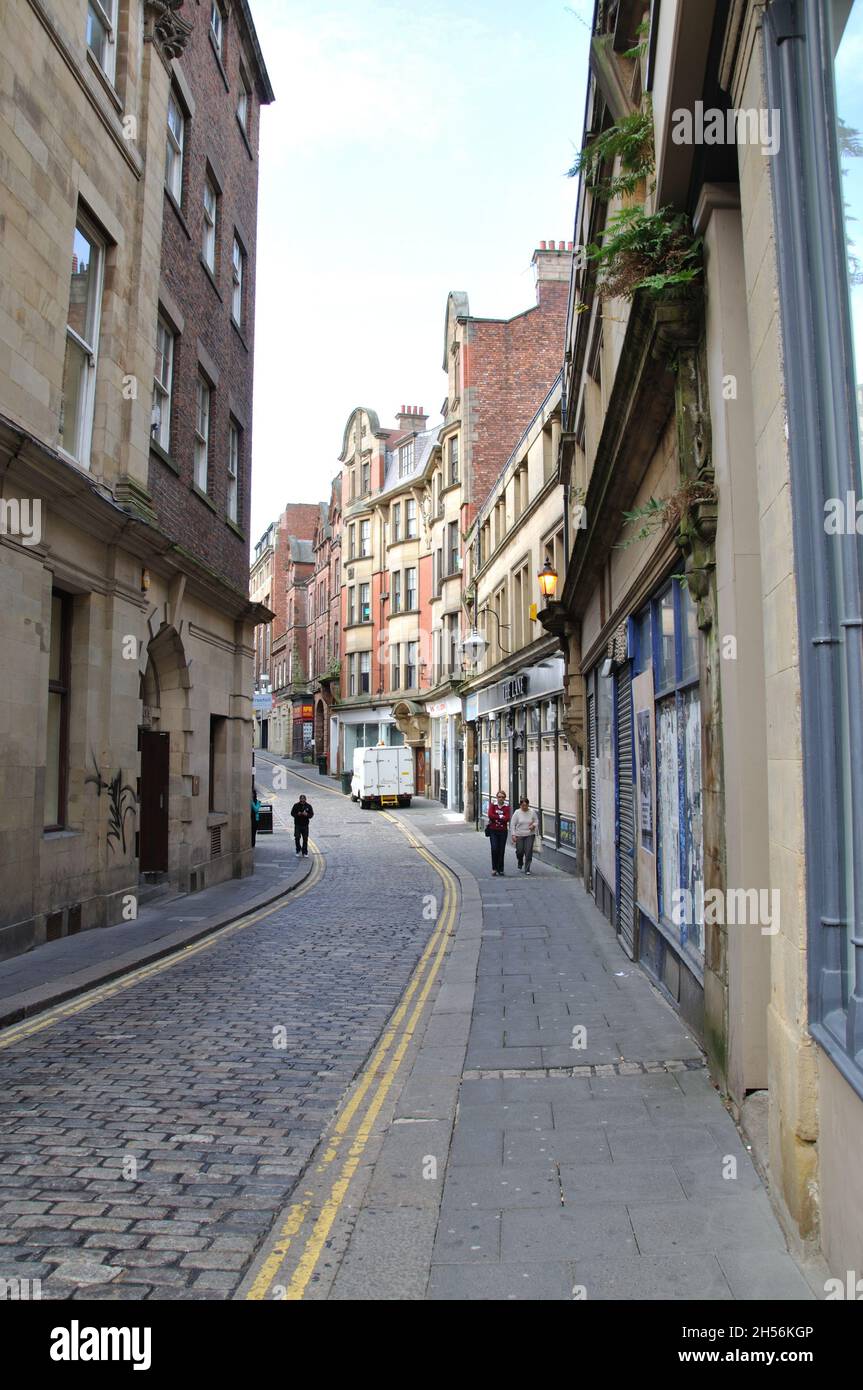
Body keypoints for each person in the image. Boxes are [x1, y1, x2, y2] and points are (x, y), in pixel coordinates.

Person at [511, 797, 538, 874]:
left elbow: (536, 821)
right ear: (520, 805)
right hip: (519, 834)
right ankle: (520, 861)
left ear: (528, 805)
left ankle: (527, 869)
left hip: (530, 834)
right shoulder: (517, 812)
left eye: (526, 805)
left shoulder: (532, 812)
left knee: (528, 851)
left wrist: (533, 825)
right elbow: (513, 824)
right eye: (523, 805)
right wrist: (513, 834)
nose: (524, 807)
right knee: (519, 851)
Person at [486, 789, 511, 876]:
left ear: (504, 798)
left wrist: (497, 817)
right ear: (497, 797)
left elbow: (507, 818)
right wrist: (501, 816)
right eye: (499, 797)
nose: (501, 798)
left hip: (503, 831)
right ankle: (494, 868)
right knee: (494, 848)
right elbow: (490, 815)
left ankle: (500, 869)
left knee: (501, 850)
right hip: (493, 830)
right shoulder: (493, 805)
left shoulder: (507, 807)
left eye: (502, 797)